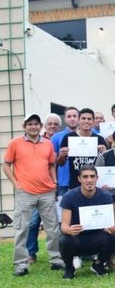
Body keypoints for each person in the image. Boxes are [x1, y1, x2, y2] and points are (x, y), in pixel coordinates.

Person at [3, 114, 65, 276]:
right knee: (22, 228)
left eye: (36, 124)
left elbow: (51, 165)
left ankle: (56, 259)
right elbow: (6, 164)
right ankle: (21, 264)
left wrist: (54, 182)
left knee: (52, 228)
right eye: (30, 124)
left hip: (46, 192)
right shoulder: (15, 143)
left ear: (40, 126)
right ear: (25, 126)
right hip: (25, 193)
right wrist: (16, 184)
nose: (33, 127)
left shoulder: (48, 144)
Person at [58, 165, 115, 279]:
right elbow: (64, 226)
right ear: (79, 179)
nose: (89, 180)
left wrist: (109, 228)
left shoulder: (106, 196)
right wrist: (69, 230)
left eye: (92, 176)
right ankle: (69, 267)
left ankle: (98, 264)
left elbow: (109, 222)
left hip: (96, 237)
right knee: (64, 240)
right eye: (85, 177)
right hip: (77, 238)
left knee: (114, 237)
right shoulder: (69, 196)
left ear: (97, 178)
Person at [27, 113, 62, 264]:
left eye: (55, 124)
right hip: (36, 188)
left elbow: (53, 165)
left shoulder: (60, 139)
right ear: (44, 126)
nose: (53, 126)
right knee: (33, 222)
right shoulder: (36, 142)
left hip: (55, 186)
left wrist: (54, 183)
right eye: (50, 124)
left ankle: (57, 255)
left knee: (54, 223)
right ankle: (31, 252)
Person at [58, 108, 108, 189]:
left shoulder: (100, 139)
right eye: (83, 118)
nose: (86, 121)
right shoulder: (68, 137)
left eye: (89, 119)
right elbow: (61, 163)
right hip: (75, 184)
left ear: (93, 121)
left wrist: (105, 153)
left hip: (95, 185)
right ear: (78, 120)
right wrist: (61, 155)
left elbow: (106, 163)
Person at [52, 106, 79, 195]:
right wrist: (54, 181)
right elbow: (53, 162)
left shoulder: (88, 134)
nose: (72, 119)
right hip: (64, 181)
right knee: (63, 208)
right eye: (69, 116)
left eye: (75, 116)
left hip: (82, 179)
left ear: (79, 118)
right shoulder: (56, 137)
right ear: (65, 119)